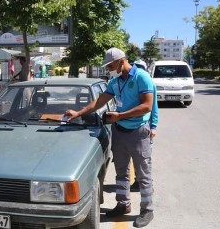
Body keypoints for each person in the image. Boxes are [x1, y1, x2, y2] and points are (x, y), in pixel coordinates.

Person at [65, 48, 156, 228]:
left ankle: (147, 210)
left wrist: (120, 116)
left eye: (110, 65)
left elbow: (147, 106)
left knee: (143, 173)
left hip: (138, 132)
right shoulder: (115, 81)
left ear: (121, 61)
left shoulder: (142, 77)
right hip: (120, 132)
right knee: (121, 173)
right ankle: (123, 205)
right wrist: (78, 112)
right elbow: (99, 101)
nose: (109, 69)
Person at [130, 59, 159, 192]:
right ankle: (138, 181)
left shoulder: (148, 82)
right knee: (137, 158)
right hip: (133, 126)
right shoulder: (132, 82)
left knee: (144, 158)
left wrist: (153, 126)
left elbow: (153, 107)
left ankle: (147, 184)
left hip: (144, 125)